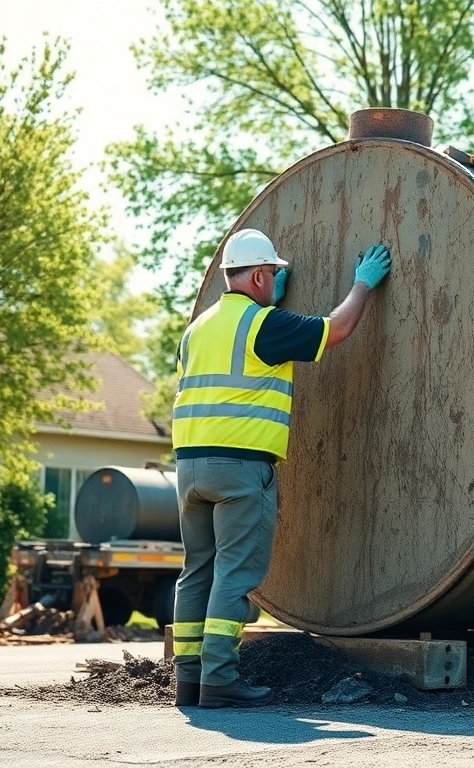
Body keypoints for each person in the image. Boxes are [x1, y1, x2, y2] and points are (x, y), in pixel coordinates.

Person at [171, 228, 391, 709]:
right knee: (234, 575)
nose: (275, 279)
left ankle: (188, 682)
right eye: (270, 272)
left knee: (197, 573)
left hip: (189, 470)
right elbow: (337, 330)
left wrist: (268, 303)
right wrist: (363, 285)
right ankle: (220, 680)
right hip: (240, 469)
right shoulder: (262, 327)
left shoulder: (199, 328)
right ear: (255, 275)